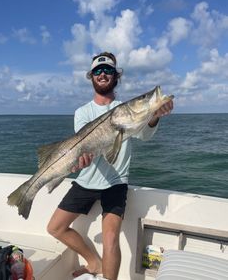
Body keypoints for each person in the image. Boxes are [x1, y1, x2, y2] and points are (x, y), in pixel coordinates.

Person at [47, 52, 173, 280]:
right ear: (91, 77)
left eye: (108, 70)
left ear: (116, 76)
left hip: (115, 183)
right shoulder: (83, 112)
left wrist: (154, 115)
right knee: (55, 227)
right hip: (85, 181)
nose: (102, 74)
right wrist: (81, 160)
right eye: (97, 71)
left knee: (110, 238)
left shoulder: (127, 112)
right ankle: (94, 262)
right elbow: (83, 148)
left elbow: (145, 134)